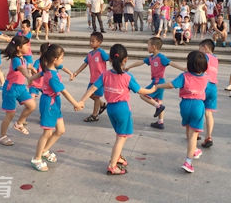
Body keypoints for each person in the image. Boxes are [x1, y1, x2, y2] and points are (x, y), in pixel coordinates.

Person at [78, 44, 156, 175]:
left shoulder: (105, 75)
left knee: (119, 134)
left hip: (111, 109)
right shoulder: (127, 76)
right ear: (125, 60)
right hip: (122, 109)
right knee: (121, 137)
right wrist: (152, 89)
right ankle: (113, 165)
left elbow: (92, 89)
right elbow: (140, 90)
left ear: (109, 59)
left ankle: (117, 156)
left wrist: (81, 101)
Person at [155, 51, 209, 173]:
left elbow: (170, 85)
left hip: (184, 105)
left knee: (188, 126)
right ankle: (188, 162)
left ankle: (194, 149)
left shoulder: (184, 76)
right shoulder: (206, 78)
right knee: (194, 134)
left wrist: (158, 86)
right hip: (198, 105)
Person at [31, 44, 81, 172]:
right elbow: (64, 91)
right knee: (47, 132)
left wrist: (31, 78)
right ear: (55, 59)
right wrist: (76, 103)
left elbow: (40, 73)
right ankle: (37, 158)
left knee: (60, 130)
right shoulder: (52, 76)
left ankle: (44, 150)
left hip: (54, 102)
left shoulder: (49, 69)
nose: (62, 60)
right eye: (62, 58)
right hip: (49, 103)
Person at [126, 37, 185, 130]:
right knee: (159, 101)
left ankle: (158, 107)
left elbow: (171, 63)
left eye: (148, 45)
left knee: (142, 94)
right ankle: (160, 122)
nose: (147, 47)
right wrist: (129, 66)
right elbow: (140, 62)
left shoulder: (161, 57)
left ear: (153, 47)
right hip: (158, 82)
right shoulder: (151, 58)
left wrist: (183, 69)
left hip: (158, 82)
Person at [0, 35, 39, 146]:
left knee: (32, 105)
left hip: (20, 88)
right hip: (11, 88)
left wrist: (33, 68)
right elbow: (22, 69)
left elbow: (26, 65)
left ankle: (19, 123)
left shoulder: (22, 58)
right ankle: (2, 136)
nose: (28, 47)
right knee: (10, 114)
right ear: (18, 48)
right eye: (26, 45)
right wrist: (29, 77)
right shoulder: (15, 59)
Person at [73, 32, 109, 122]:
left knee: (96, 97)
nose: (91, 43)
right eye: (90, 41)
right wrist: (76, 72)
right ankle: (103, 104)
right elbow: (84, 64)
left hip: (100, 80)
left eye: (93, 41)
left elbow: (110, 59)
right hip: (92, 79)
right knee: (89, 95)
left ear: (99, 42)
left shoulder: (101, 52)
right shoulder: (90, 54)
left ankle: (94, 115)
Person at [199, 39, 218, 148]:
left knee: (199, 109)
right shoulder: (215, 58)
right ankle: (208, 136)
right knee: (209, 113)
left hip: (203, 85)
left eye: (200, 48)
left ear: (205, 47)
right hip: (213, 86)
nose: (199, 51)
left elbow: (199, 69)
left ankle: (195, 133)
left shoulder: (204, 57)